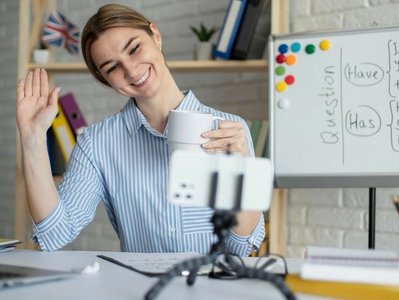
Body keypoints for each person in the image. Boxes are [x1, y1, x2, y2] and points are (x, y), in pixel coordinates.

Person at [16, 4, 265, 256]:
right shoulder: (98, 143)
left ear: (155, 35)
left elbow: (243, 245)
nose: (132, 70)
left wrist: (242, 171)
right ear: (107, 81)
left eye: (134, 49)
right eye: (113, 68)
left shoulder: (229, 130)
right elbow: (53, 234)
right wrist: (32, 137)